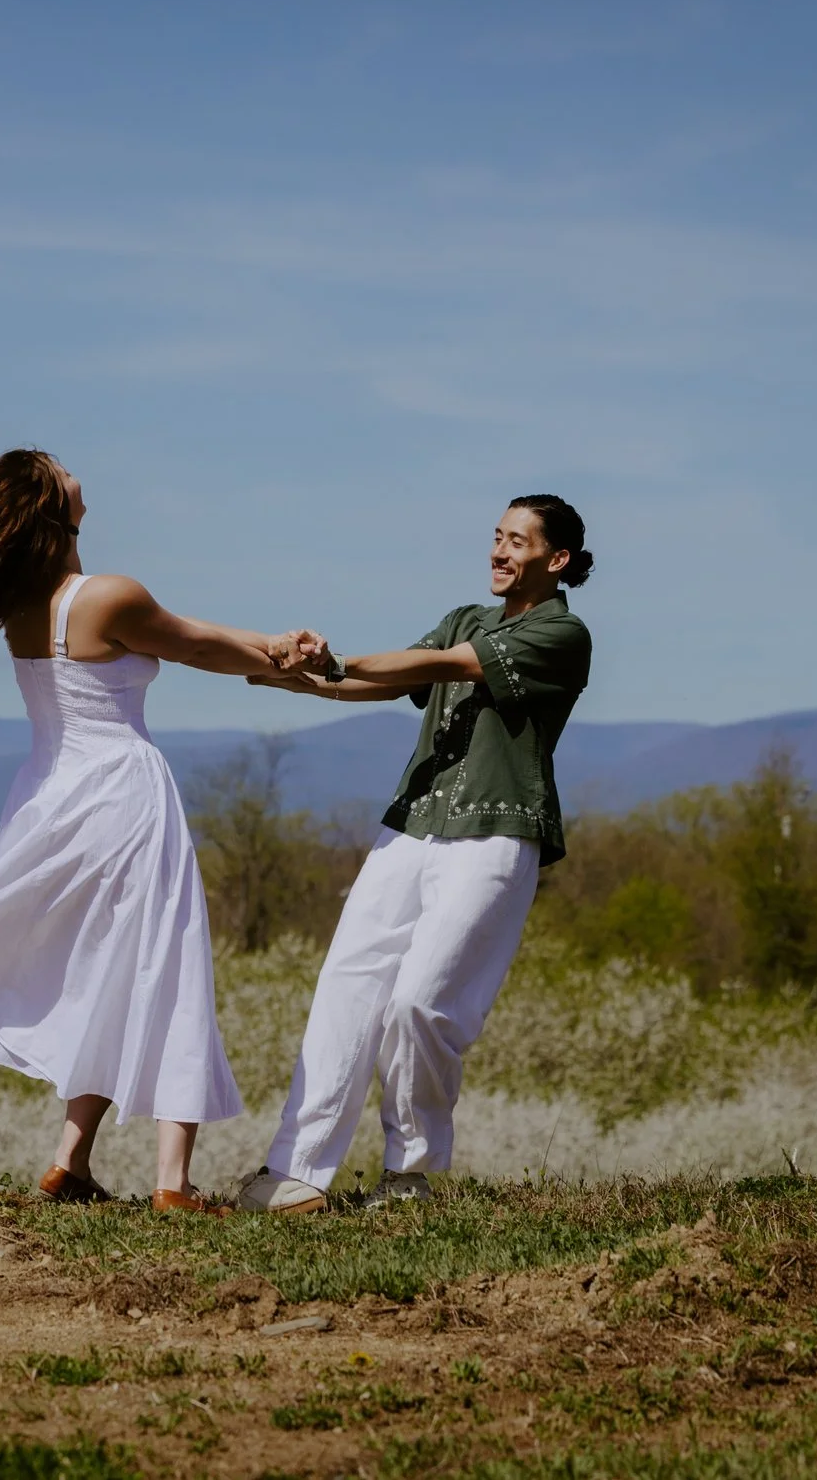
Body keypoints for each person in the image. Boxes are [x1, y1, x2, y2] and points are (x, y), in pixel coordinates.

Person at [0, 449, 302, 1213]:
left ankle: (71, 1159)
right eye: (59, 466)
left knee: (104, 970)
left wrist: (274, 647)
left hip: (55, 795)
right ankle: (172, 1182)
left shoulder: (22, 606)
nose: (74, 466)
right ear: (50, 503)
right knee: (167, 961)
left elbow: (192, 635)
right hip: (124, 794)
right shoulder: (106, 596)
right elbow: (193, 642)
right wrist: (281, 649)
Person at [235, 494, 593, 1214]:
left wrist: (335, 659)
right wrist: (301, 675)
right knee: (345, 986)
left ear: (555, 560)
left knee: (419, 1003)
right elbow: (399, 679)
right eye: (495, 536)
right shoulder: (469, 615)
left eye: (516, 540)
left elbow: (444, 664)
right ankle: (296, 1173)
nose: (498, 550)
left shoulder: (564, 632)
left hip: (494, 834)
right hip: (410, 825)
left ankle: (409, 1175)